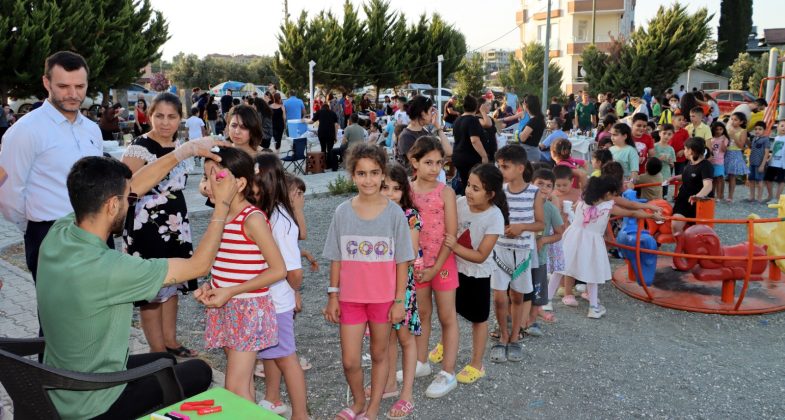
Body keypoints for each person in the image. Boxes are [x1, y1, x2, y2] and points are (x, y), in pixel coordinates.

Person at [36, 137, 229, 419]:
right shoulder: (111, 268)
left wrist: (182, 152)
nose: (131, 201)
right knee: (199, 371)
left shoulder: (60, 233)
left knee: (163, 359)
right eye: (127, 199)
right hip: (95, 404)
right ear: (113, 205)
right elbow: (198, 266)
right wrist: (222, 206)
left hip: (59, 384)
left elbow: (136, 185)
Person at [322, 144, 413, 420]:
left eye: (374, 173)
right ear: (352, 176)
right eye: (362, 173)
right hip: (350, 298)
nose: (369, 179)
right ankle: (359, 401)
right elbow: (336, 258)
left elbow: (402, 261)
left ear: (383, 175)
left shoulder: (395, 214)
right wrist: (333, 295)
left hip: (384, 300)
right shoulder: (342, 212)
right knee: (349, 360)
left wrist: (399, 300)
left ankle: (373, 408)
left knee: (379, 354)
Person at [0, 51, 104, 281]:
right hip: (50, 235)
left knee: (100, 310)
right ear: (46, 82)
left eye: (80, 86)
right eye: (64, 86)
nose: (73, 94)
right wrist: (34, 229)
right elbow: (8, 193)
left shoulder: (91, 129)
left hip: (97, 233)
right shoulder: (25, 131)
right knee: (60, 314)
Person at [196, 147, 287, 402]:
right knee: (242, 386)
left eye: (217, 178)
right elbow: (225, 262)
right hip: (226, 306)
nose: (208, 185)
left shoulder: (252, 218)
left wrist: (230, 291)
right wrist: (210, 285)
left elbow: (278, 269)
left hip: (247, 310)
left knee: (234, 389)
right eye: (205, 177)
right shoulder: (221, 216)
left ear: (241, 183)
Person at [121, 92, 198, 359]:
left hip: (176, 222)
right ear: (150, 116)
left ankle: (171, 340)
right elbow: (124, 189)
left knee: (173, 282)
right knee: (151, 290)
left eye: (172, 116)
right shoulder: (139, 147)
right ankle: (157, 352)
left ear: (180, 119)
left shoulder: (182, 145)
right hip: (146, 224)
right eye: (159, 116)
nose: (165, 123)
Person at [550, 175, 658, 318]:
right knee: (592, 272)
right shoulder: (607, 207)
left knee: (560, 268)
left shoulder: (583, 200)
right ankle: (594, 307)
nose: (615, 197)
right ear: (607, 194)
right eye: (614, 194)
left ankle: (545, 301)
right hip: (592, 241)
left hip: (573, 237)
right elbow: (630, 212)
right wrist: (651, 216)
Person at [251, 154, 309, 419]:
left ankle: (301, 414)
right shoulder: (263, 213)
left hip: (278, 300)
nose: (251, 186)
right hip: (267, 298)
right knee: (270, 351)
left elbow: (293, 271)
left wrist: (293, 292)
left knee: (287, 358)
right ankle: (273, 399)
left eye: (256, 181)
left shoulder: (281, 220)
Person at [407, 137, 460, 399]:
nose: (435, 168)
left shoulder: (446, 192)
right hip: (417, 264)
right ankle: (421, 362)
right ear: (413, 161)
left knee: (447, 316)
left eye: (439, 162)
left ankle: (448, 371)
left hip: (443, 261)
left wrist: (436, 266)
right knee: (423, 314)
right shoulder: (406, 190)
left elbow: (452, 235)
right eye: (428, 162)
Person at [443, 164, 506, 384]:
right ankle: (447, 345)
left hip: (477, 274)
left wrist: (454, 247)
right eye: (469, 185)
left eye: (476, 188)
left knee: (478, 319)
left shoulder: (494, 217)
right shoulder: (460, 204)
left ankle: (477, 364)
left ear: (491, 194)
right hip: (453, 268)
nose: (469, 191)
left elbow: (481, 255)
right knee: (449, 312)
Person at [490, 144, 544, 362]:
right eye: (499, 166)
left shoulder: (534, 192)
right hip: (500, 250)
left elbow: (540, 224)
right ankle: (502, 336)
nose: (501, 171)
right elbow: (492, 217)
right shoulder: (498, 191)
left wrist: (522, 227)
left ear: (521, 168)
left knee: (517, 296)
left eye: (506, 166)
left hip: (522, 253)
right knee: (499, 297)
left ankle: (514, 338)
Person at [380, 164, 422, 419]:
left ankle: (407, 393)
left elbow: (410, 252)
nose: (390, 193)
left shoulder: (411, 215)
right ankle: (389, 384)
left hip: (401, 286)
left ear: (404, 190)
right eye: (385, 187)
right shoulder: (371, 212)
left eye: (396, 189)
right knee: (385, 339)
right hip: (377, 286)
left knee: (405, 338)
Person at [527, 168, 564, 327]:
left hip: (539, 259)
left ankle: (531, 322)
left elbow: (559, 233)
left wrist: (544, 240)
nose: (544, 188)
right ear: (530, 184)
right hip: (520, 256)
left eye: (548, 185)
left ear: (552, 190)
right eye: (540, 183)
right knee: (518, 291)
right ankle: (516, 320)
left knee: (537, 293)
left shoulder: (551, 209)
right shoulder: (524, 203)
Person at [668, 137, 714, 235]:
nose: (684, 151)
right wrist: (676, 178)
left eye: (685, 149)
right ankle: (680, 246)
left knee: (695, 232)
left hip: (696, 202)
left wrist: (697, 196)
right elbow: (689, 175)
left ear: (691, 151)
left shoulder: (706, 165)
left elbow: (708, 185)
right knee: (675, 225)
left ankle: (687, 247)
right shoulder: (690, 162)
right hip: (683, 199)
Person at [396, 95, 452, 172]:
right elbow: (418, 165)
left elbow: (448, 151)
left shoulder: (424, 131)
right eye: (430, 111)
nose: (433, 114)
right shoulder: (406, 137)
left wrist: (438, 127)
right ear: (423, 113)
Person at [452, 95, 488, 194]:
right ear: (476, 107)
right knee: (472, 184)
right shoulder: (472, 120)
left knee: (465, 183)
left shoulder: (458, 120)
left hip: (458, 156)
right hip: (469, 158)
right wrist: (484, 156)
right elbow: (474, 140)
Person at [725, 112, 749, 202]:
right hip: (725, 152)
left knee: (732, 176)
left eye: (736, 120)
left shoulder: (742, 131)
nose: (733, 121)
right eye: (732, 119)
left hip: (735, 153)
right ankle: (719, 194)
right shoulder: (727, 128)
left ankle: (730, 196)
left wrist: (734, 136)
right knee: (720, 175)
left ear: (741, 122)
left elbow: (741, 146)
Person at [309, 103, 340, 168]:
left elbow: (311, 122)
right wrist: (335, 136)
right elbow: (336, 125)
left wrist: (304, 121)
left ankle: (323, 164)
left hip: (322, 133)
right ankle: (329, 165)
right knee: (330, 149)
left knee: (323, 149)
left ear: (322, 107)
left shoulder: (319, 112)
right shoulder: (333, 113)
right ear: (328, 107)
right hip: (331, 134)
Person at [518, 95, 546, 163]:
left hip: (529, 153)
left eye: (524, 103)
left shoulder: (534, 121)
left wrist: (521, 133)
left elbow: (522, 138)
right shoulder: (538, 119)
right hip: (533, 151)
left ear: (527, 105)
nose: (523, 104)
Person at [748, 121, 771, 203]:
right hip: (752, 163)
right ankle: (752, 197)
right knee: (751, 180)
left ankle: (759, 198)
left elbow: (766, 153)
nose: (757, 131)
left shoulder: (766, 140)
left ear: (764, 130)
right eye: (756, 129)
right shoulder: (754, 138)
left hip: (760, 164)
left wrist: (762, 165)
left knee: (759, 181)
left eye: (760, 129)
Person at [764, 120, 785, 203]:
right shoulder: (776, 138)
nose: (784, 128)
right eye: (782, 126)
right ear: (777, 127)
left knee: (781, 181)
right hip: (773, 162)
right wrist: (769, 159)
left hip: (782, 164)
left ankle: (777, 198)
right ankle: (770, 196)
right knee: (768, 179)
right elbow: (774, 151)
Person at [708, 121, 730, 201]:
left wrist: (723, 142)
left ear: (723, 130)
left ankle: (720, 195)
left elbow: (724, 150)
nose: (719, 131)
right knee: (713, 179)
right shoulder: (711, 138)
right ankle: (712, 195)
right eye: (717, 129)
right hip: (711, 161)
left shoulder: (724, 138)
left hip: (719, 161)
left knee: (720, 178)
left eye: (721, 129)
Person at [654, 124, 676, 196]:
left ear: (672, 136)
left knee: (664, 194)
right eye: (664, 133)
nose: (666, 136)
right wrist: (659, 159)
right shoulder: (654, 146)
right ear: (660, 133)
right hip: (655, 175)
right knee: (656, 193)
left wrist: (670, 162)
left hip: (666, 175)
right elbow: (650, 160)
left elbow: (672, 164)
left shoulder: (671, 149)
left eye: (669, 134)